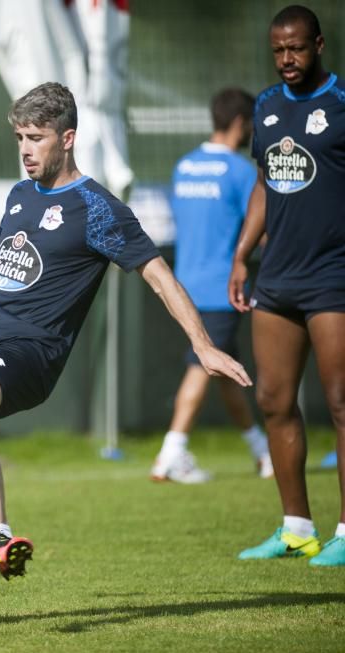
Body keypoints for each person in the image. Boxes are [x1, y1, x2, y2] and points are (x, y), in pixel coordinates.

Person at [0, 82, 252, 630]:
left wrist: (203, 345)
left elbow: (158, 276)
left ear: (68, 138)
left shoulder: (98, 209)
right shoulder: (20, 194)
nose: (26, 149)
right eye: (19, 137)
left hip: (33, 353)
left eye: (36, 138)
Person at [230, 5, 345, 567]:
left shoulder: (342, 105)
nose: (286, 59)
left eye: (296, 48)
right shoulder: (268, 106)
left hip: (333, 276)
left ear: (318, 45)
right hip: (277, 278)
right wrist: (242, 254)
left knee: (342, 403)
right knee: (274, 400)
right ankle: (297, 527)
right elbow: (264, 184)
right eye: (277, 50)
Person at [151, 88, 273, 484]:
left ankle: (262, 453)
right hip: (222, 288)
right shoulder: (240, 172)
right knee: (201, 368)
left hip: (184, 287)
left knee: (225, 371)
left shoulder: (184, 166)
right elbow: (260, 230)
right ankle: (171, 452)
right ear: (241, 123)